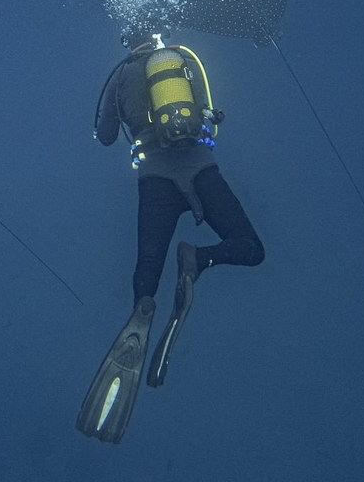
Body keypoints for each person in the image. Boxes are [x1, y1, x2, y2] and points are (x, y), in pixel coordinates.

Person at [75, 25, 265, 443]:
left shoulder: (120, 74)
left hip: (155, 182)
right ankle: (200, 259)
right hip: (202, 170)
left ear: (129, 42)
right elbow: (211, 114)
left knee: (148, 269)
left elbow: (106, 137)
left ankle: (144, 306)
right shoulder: (183, 62)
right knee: (251, 248)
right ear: (158, 37)